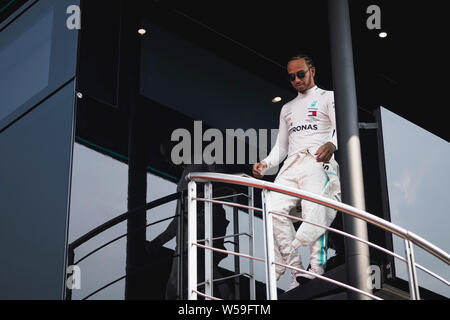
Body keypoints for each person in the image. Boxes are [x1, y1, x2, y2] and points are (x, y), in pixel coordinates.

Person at [252, 54, 341, 290]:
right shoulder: (287, 108)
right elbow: (281, 146)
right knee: (273, 209)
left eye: (300, 74)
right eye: (291, 77)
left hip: (315, 159)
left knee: (315, 210)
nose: (296, 80)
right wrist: (266, 164)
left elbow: (341, 128)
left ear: (312, 71)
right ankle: (296, 268)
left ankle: (316, 268)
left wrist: (332, 145)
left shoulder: (328, 97)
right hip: (290, 165)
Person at [146, 138, 231, 299]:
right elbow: (178, 218)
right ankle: (224, 295)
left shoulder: (205, 157)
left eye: (170, 151)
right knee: (186, 270)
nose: (169, 158)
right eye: (166, 156)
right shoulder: (183, 179)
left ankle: (224, 295)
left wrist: (202, 197)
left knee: (198, 264)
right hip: (187, 229)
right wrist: (159, 241)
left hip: (205, 219)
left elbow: (223, 182)